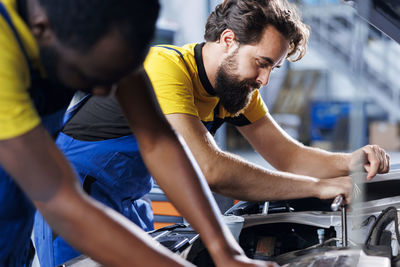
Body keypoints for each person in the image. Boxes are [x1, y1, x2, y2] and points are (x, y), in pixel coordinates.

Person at [34, 0, 390, 265]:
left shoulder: (236, 89)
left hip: (130, 201)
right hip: (73, 199)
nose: (264, 79)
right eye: (263, 63)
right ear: (228, 39)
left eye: (274, 68)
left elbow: (288, 156)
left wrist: (350, 162)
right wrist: (318, 187)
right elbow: (211, 170)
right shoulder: (166, 68)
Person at [0, 0, 276, 266]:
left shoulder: (105, 32)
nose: (106, 92)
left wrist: (225, 251)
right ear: (42, 29)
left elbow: (158, 142)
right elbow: (62, 202)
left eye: (117, 75)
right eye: (90, 76)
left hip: (19, 219)